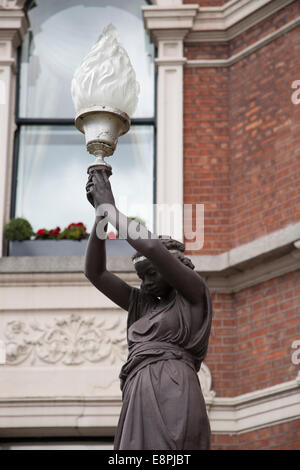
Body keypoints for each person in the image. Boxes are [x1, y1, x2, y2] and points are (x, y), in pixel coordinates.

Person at [85, 168, 213, 450]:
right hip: (137, 391)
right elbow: (95, 273)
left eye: (153, 274)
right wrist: (100, 218)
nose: (146, 283)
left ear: (173, 269)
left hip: (173, 389)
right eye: (142, 276)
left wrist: (111, 209)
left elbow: (153, 248)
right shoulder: (141, 305)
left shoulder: (193, 294)